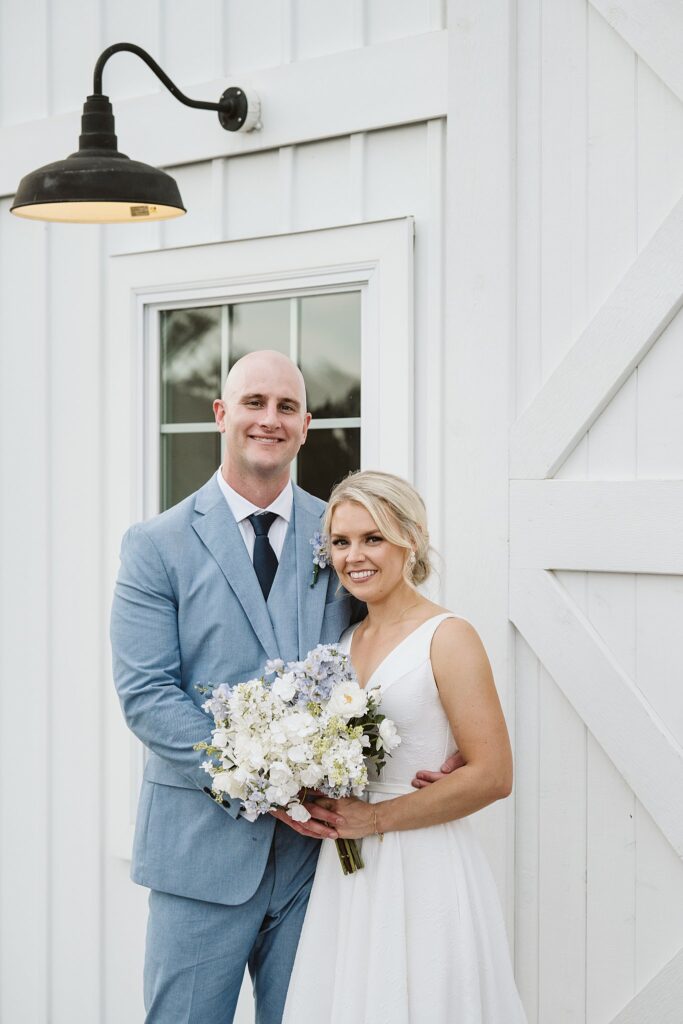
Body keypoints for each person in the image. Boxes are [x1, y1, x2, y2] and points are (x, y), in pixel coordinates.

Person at [110, 352, 460, 1024]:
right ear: (221, 415)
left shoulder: (339, 534)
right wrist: (263, 779)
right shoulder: (155, 545)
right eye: (253, 402)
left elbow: (390, 639)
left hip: (318, 862)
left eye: (285, 407)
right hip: (197, 857)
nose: (269, 419)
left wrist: (433, 735)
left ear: (305, 425)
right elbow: (147, 696)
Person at [283, 470, 527, 1024]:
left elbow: (494, 774)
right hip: (346, 873)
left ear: (411, 538)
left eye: (373, 538)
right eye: (341, 542)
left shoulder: (448, 635)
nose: (354, 556)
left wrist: (373, 819)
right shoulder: (341, 644)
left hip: (424, 862)